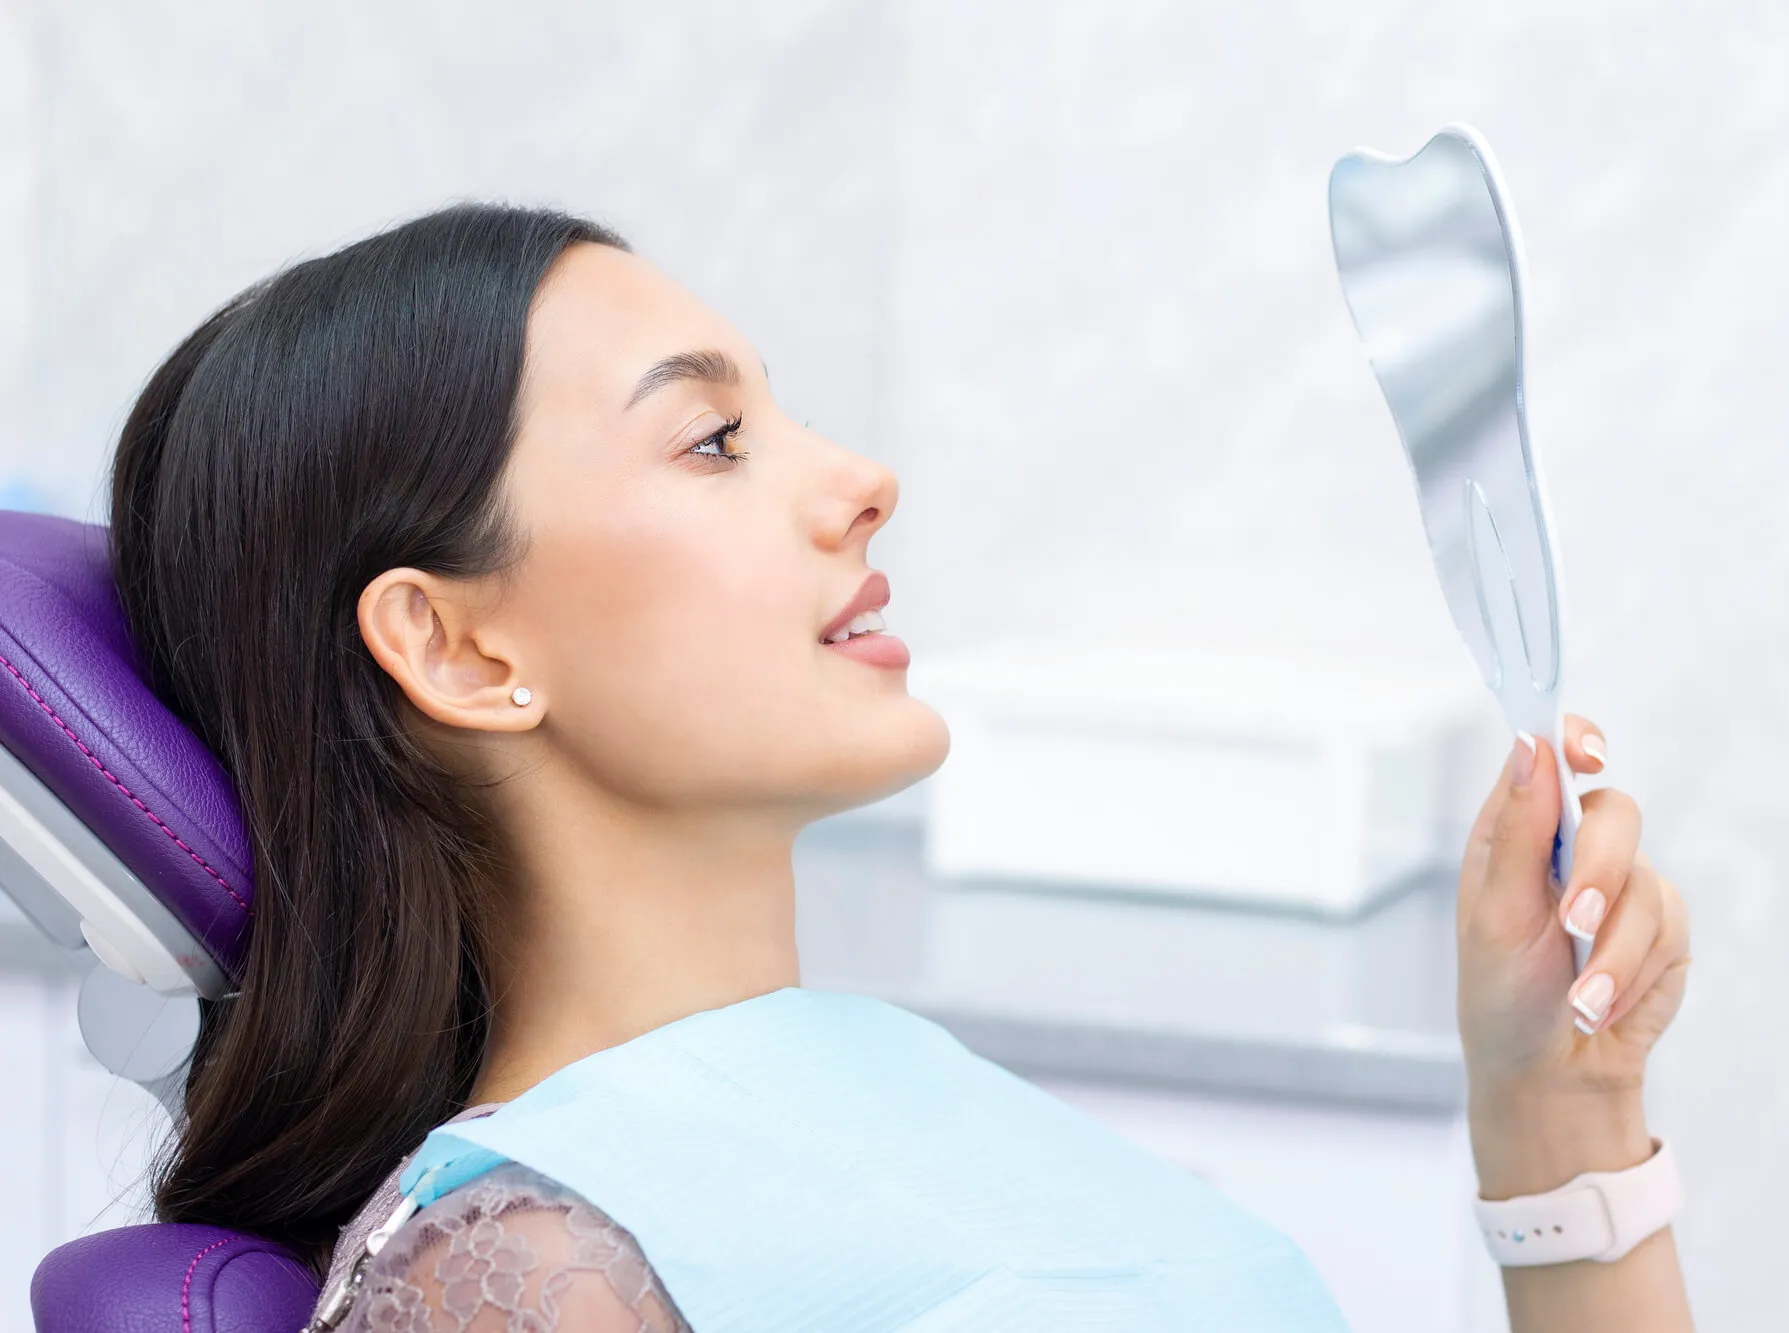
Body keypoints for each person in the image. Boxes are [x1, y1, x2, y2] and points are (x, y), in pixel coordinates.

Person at [110, 203, 1694, 1331]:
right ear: (461, 651)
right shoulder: (531, 1270)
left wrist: (1560, 1119)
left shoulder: (923, 1097)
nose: (862, 482)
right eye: (712, 443)